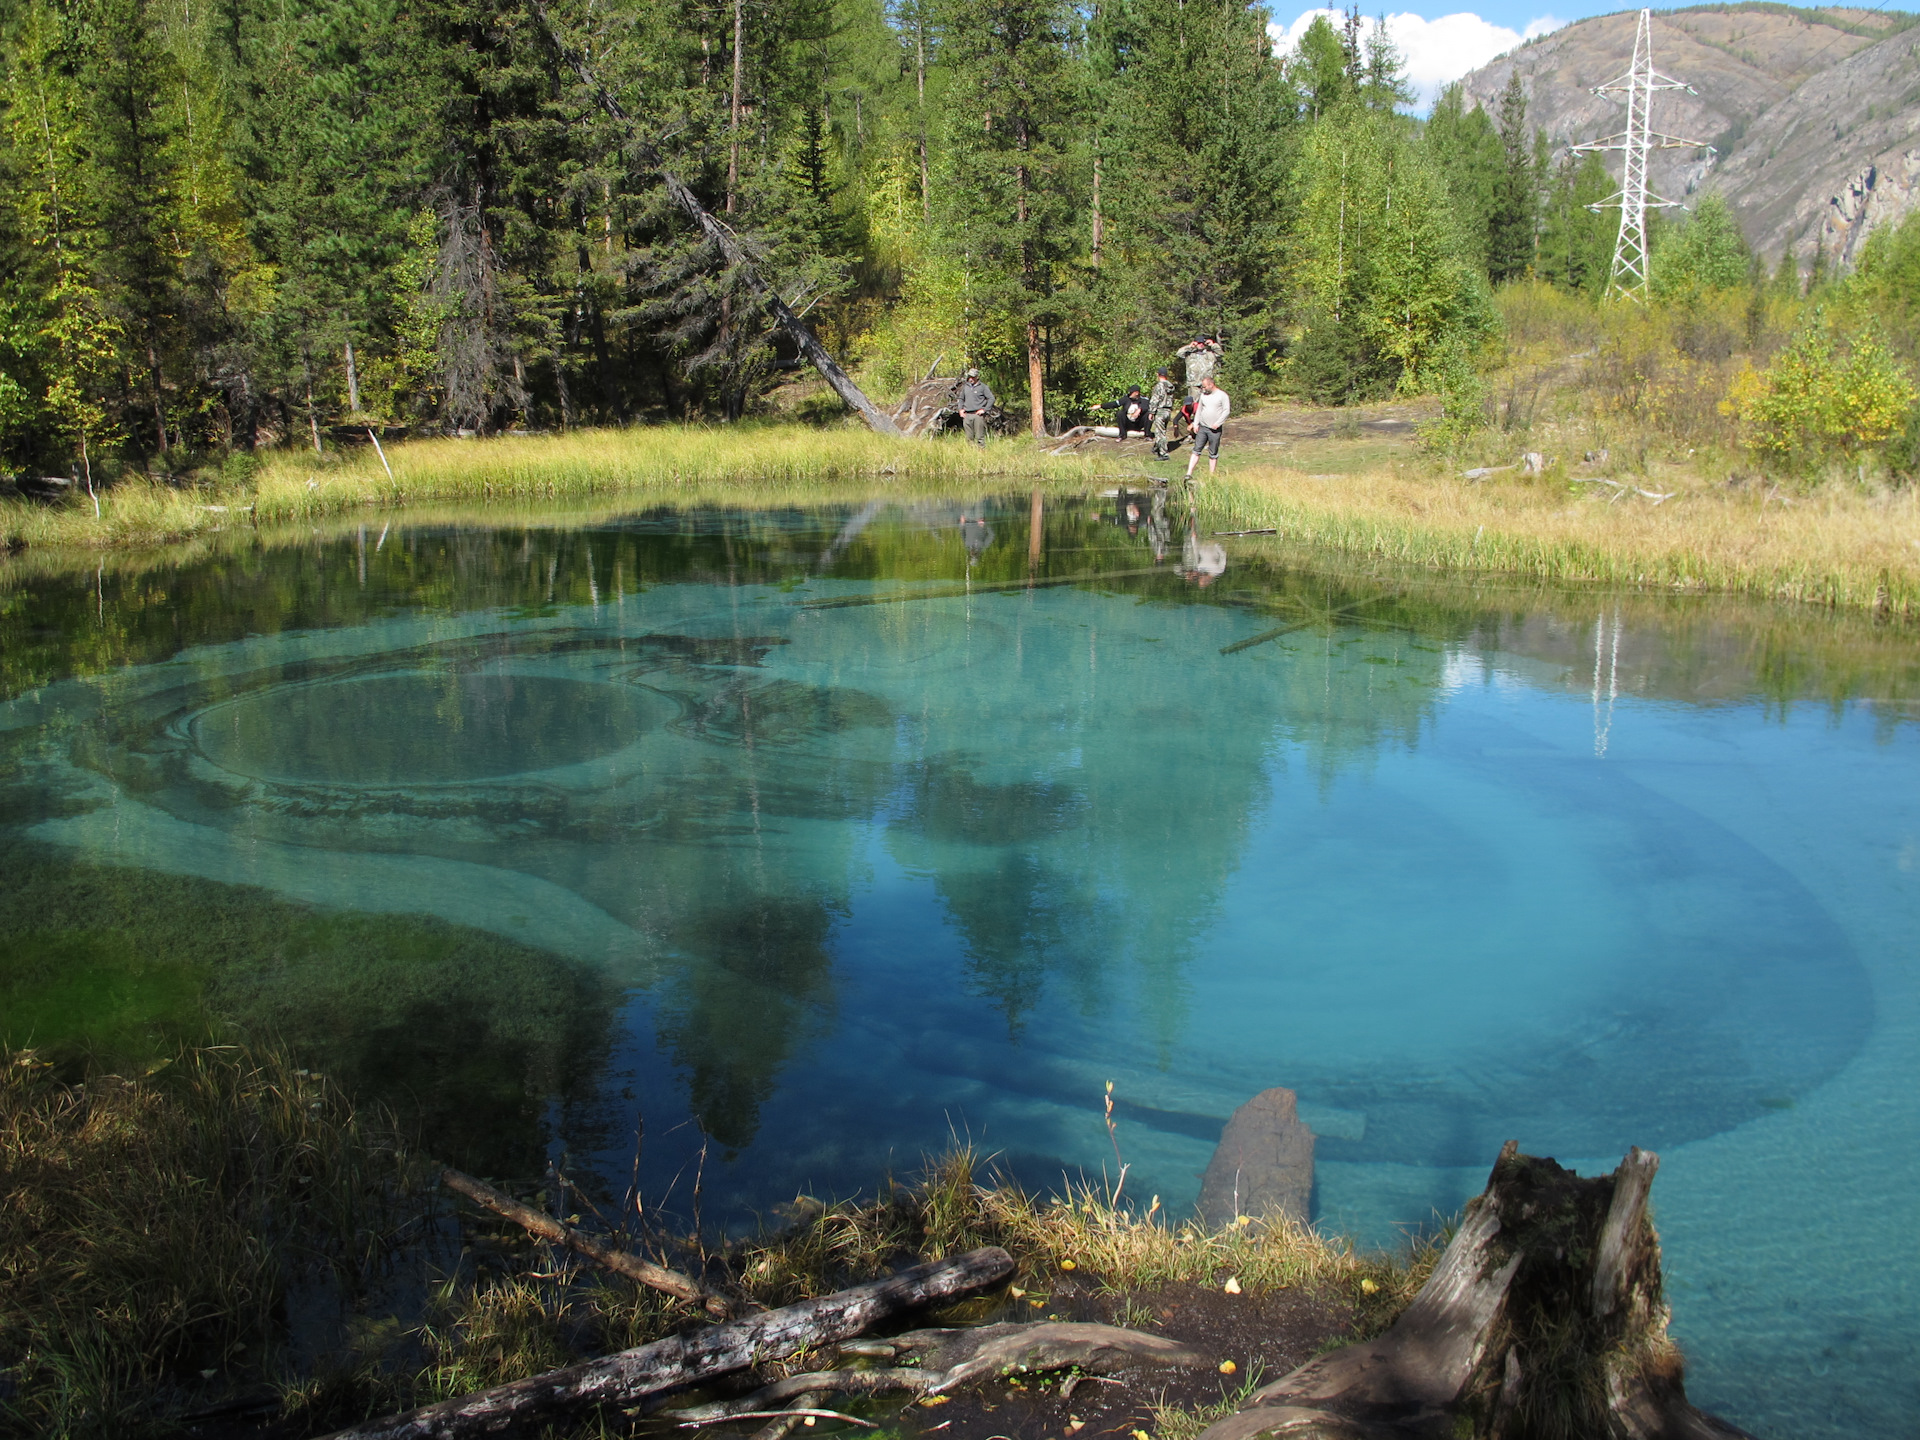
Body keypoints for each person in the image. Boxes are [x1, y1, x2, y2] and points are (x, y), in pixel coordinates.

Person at [1185, 373, 1230, 482]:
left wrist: (1218, 423)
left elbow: (1226, 411)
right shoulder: (1203, 395)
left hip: (1215, 429)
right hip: (1203, 428)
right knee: (1196, 450)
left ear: (1211, 385)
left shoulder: (1222, 395)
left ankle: (1211, 475)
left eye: (1204, 386)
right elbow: (1199, 410)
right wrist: (1195, 424)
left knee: (1213, 452)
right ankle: (1189, 473)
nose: (1203, 389)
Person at [952, 368, 995, 447]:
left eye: (973, 377)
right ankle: (971, 454)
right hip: (967, 415)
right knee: (969, 438)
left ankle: (981, 455)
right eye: (969, 377)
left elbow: (991, 399)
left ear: (977, 377)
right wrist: (960, 410)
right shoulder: (966, 387)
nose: (970, 379)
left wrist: (984, 409)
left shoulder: (983, 387)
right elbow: (961, 399)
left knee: (980, 438)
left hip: (978, 415)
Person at [1176, 335, 1223, 404]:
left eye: (1202, 343)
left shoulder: (1210, 354)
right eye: (1198, 343)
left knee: (1208, 404)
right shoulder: (1190, 354)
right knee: (1193, 405)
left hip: (1207, 385)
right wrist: (1190, 346)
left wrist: (1213, 345)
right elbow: (1179, 353)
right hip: (1194, 385)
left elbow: (1221, 354)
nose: (1200, 344)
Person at [1148, 367, 1176, 460]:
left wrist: (1151, 412)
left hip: (1160, 411)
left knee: (1160, 433)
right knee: (1162, 431)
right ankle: (1156, 448)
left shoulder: (1159, 386)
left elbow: (1155, 400)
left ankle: (1163, 454)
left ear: (1158, 374)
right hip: (1168, 411)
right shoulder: (1171, 386)